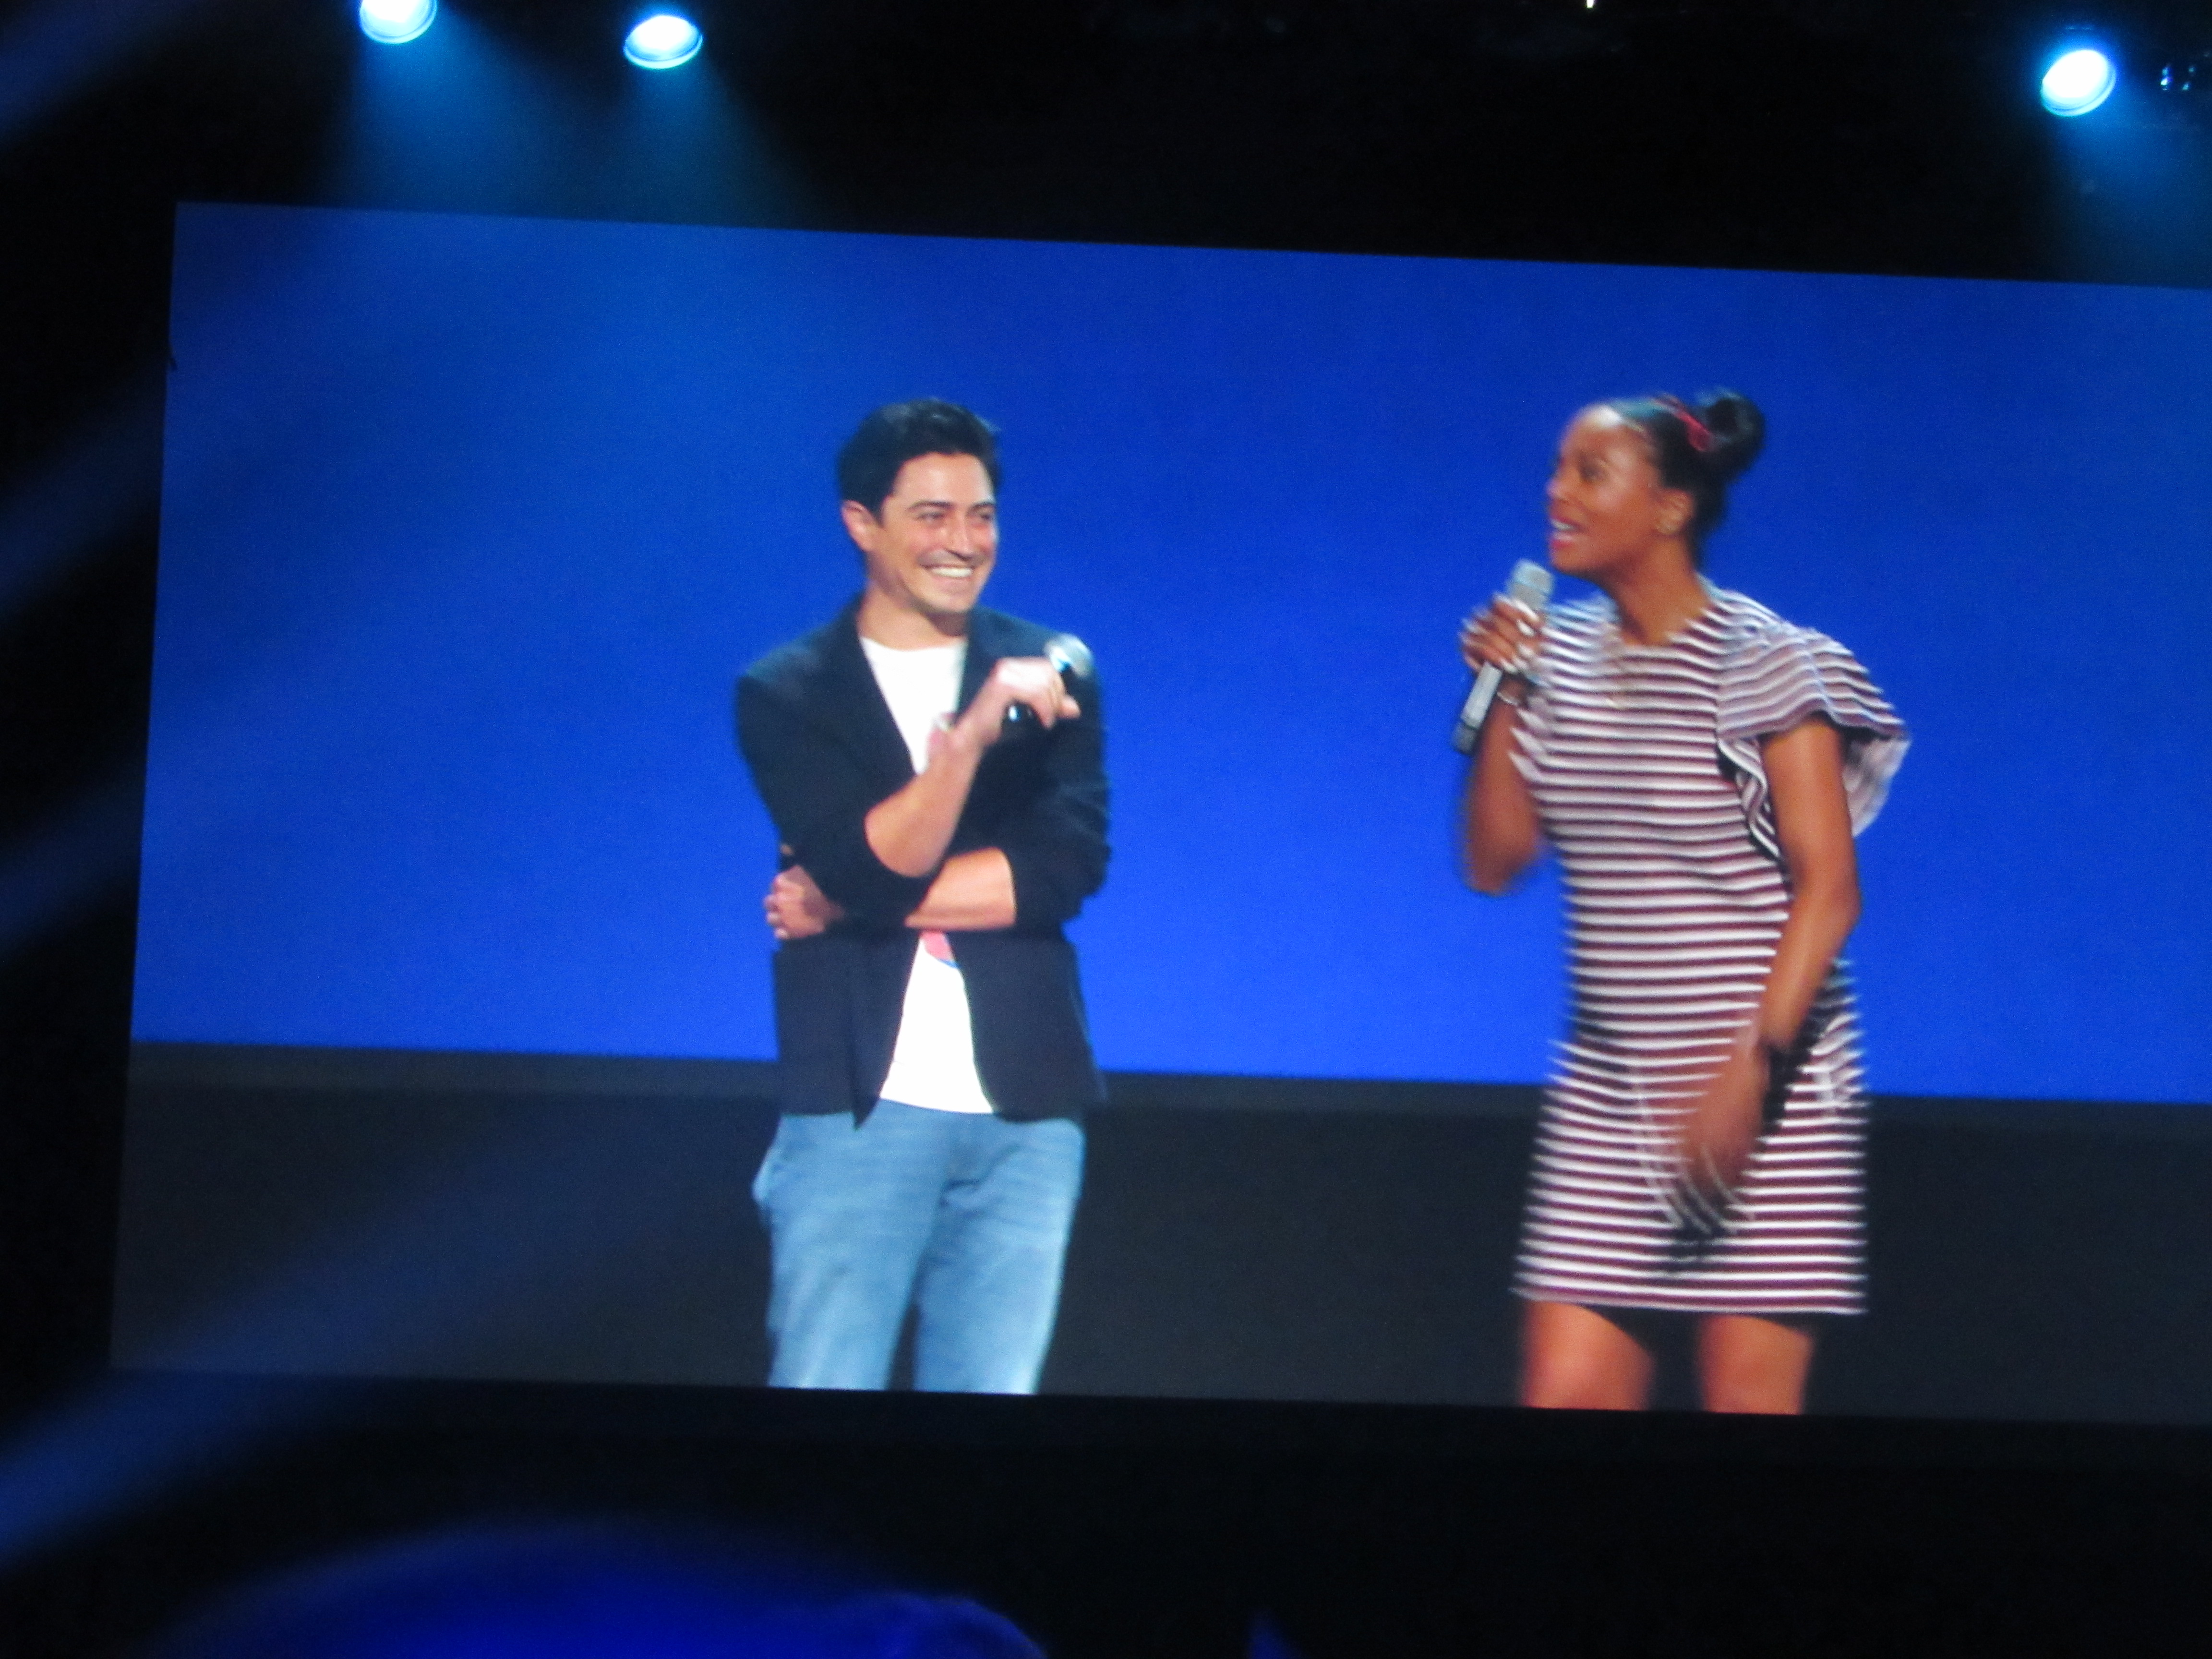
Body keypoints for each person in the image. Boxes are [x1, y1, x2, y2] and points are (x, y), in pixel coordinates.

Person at [1459, 389, 1907, 1414]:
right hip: (1612, 1090)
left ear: (1670, 507)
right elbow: (1495, 863)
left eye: (1590, 473)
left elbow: (1831, 893)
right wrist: (1506, 693)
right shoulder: (1554, 659)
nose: (1556, 492)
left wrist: (1751, 1074)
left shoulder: (1767, 659)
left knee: (1746, 1417)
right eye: (1557, 469)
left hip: (1767, 1086)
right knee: (1563, 1398)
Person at [734, 398, 1108, 1394]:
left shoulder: (1052, 672)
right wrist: (969, 740)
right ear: (863, 523)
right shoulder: (789, 693)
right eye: (933, 515)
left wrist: (840, 903)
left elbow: (1061, 873)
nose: (964, 542)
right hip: (856, 1107)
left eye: (982, 515)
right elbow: (868, 862)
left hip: (1026, 1108)